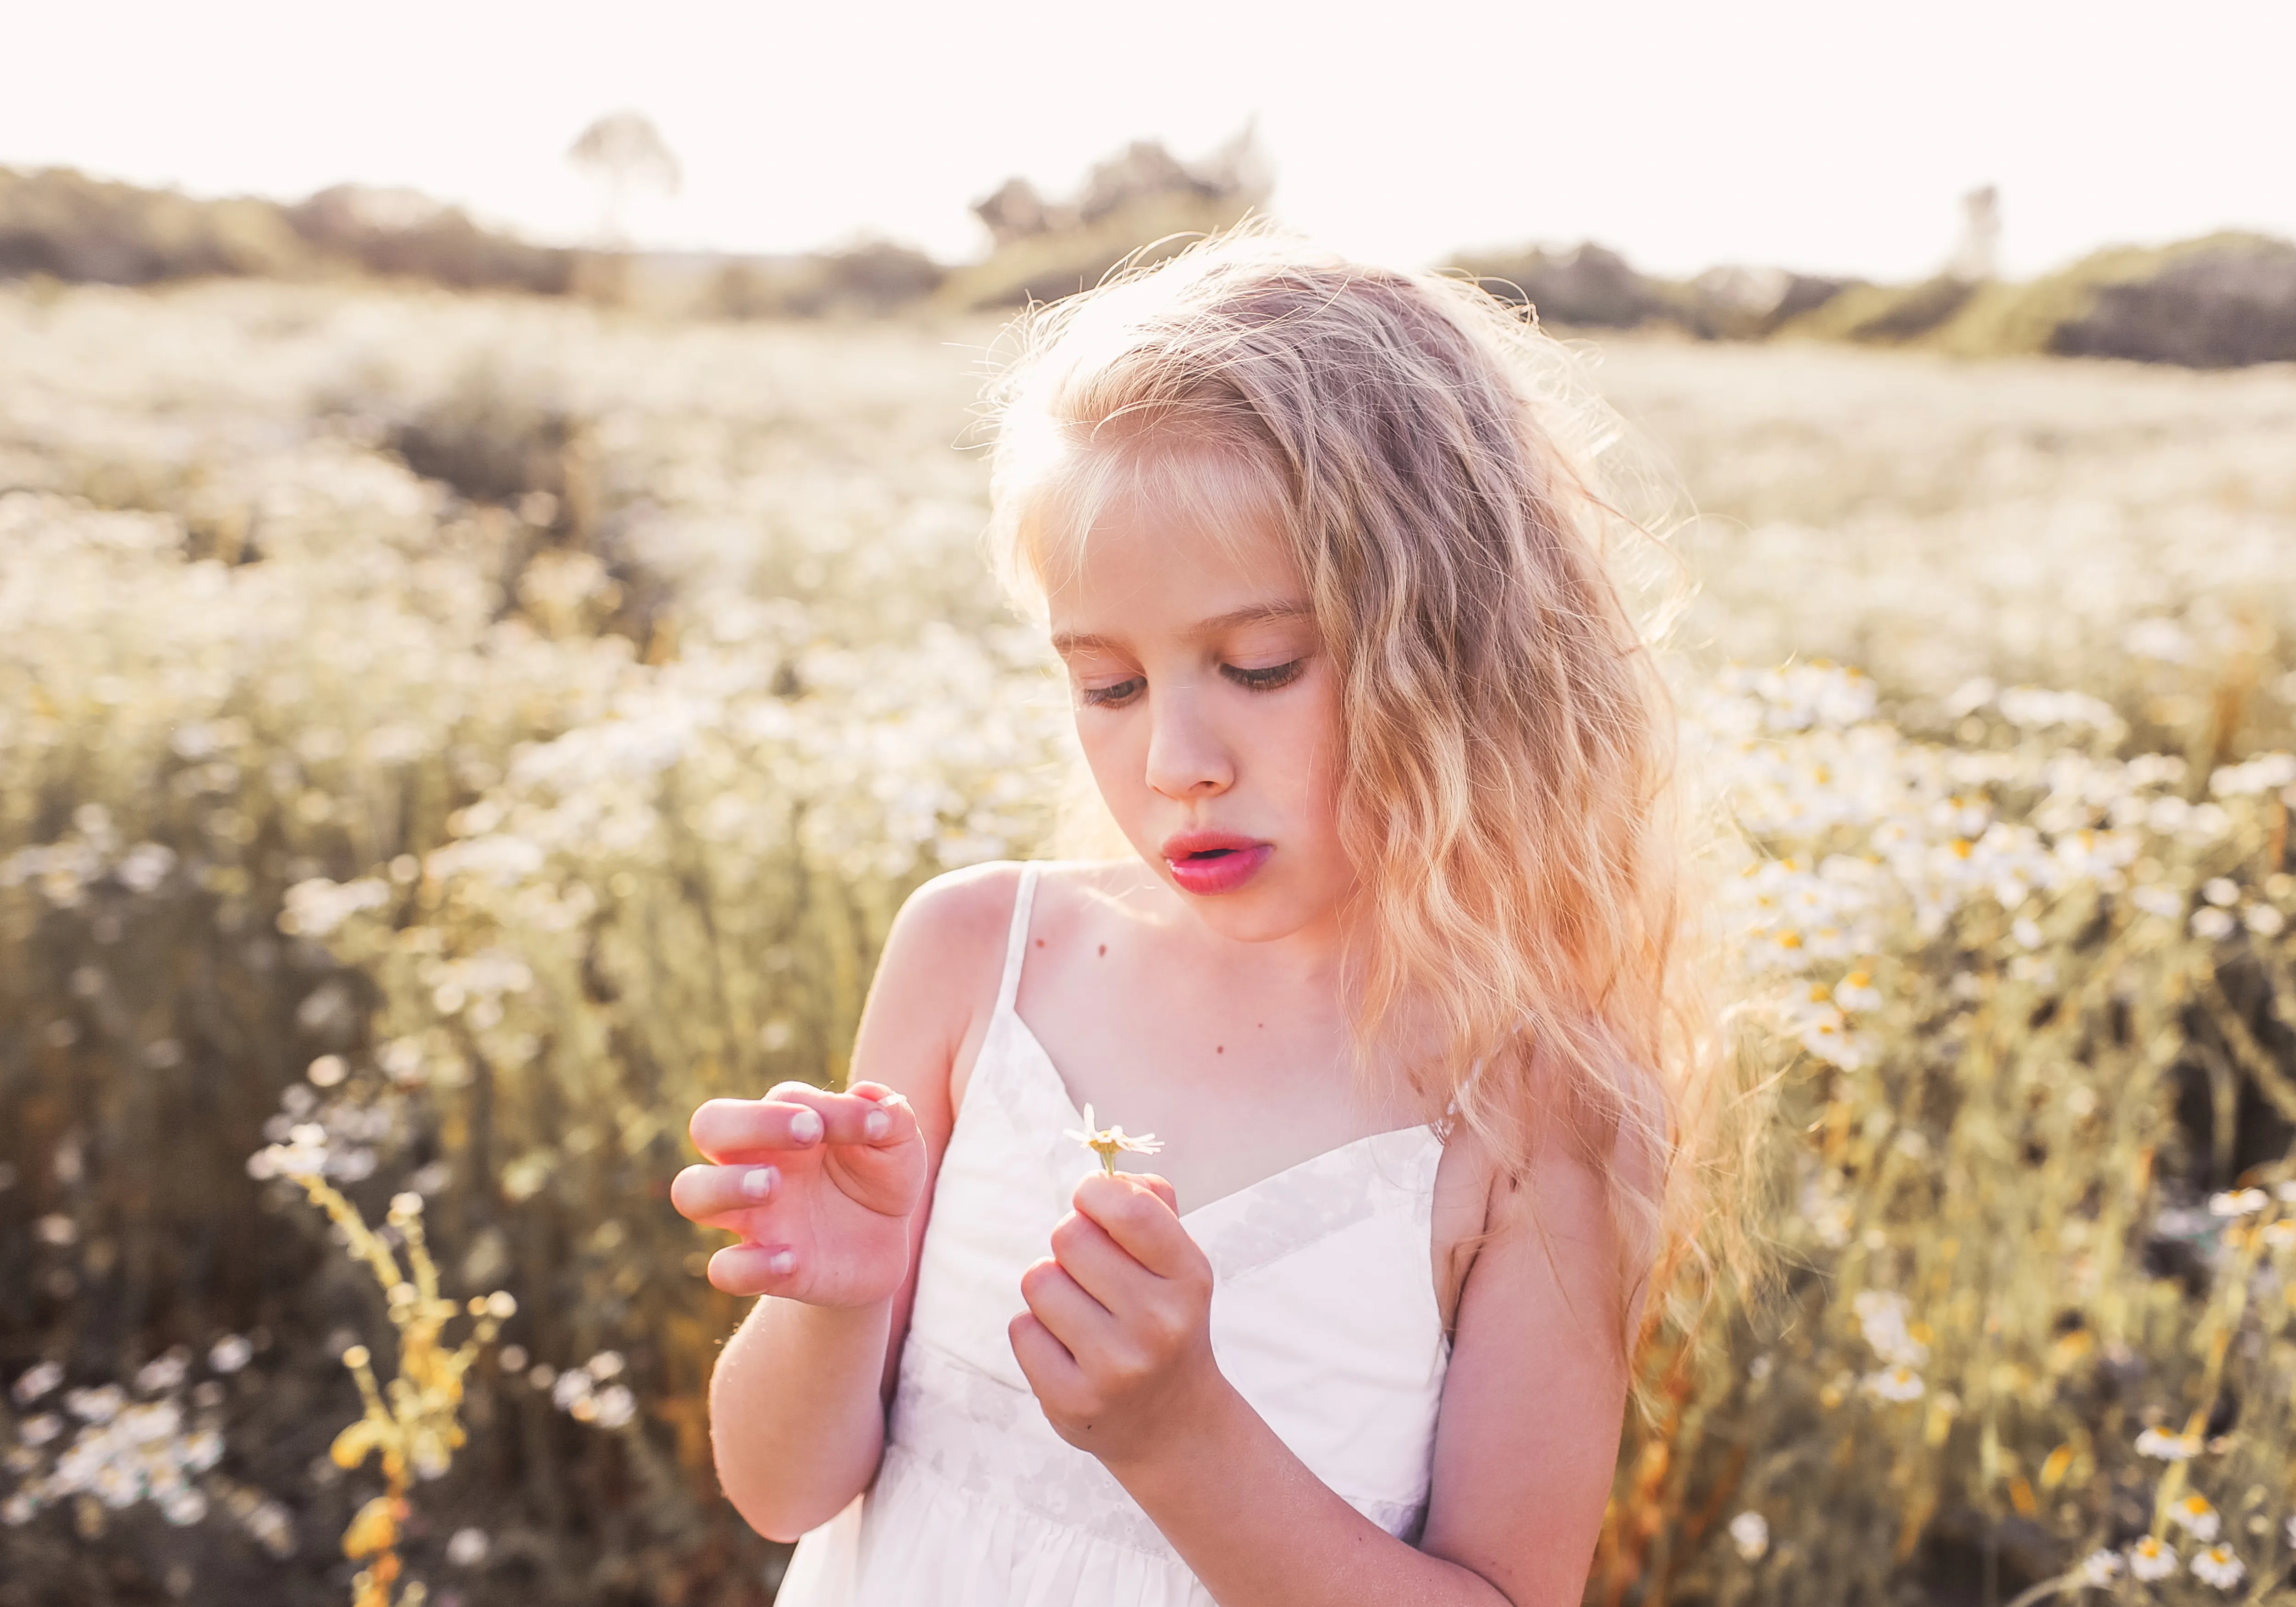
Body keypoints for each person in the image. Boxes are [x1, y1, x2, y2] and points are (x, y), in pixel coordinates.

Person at [669, 226, 1728, 1607]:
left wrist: (1182, 1443)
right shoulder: (975, 956)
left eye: (1260, 664)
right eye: (1105, 686)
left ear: (1462, 658)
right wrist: (832, 1296)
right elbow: (784, 1489)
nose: (1174, 761)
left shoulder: (1539, 1103)